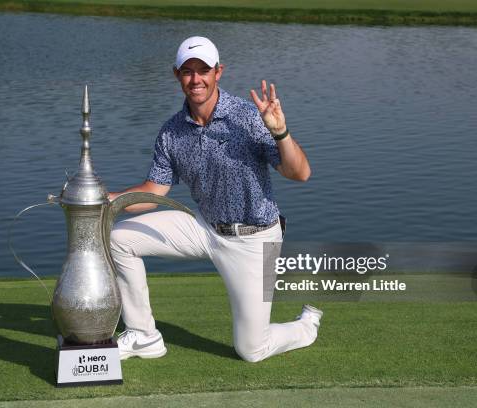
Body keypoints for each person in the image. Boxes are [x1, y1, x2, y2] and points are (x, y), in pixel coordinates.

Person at [108, 36, 322, 363]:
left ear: (218, 72)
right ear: (177, 75)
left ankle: (306, 325)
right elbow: (152, 193)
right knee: (119, 238)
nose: (196, 79)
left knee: (252, 350)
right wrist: (103, 198)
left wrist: (280, 132)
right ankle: (144, 336)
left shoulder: (248, 116)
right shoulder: (171, 132)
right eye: (188, 71)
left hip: (255, 239)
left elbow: (300, 173)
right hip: (203, 227)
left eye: (204, 70)